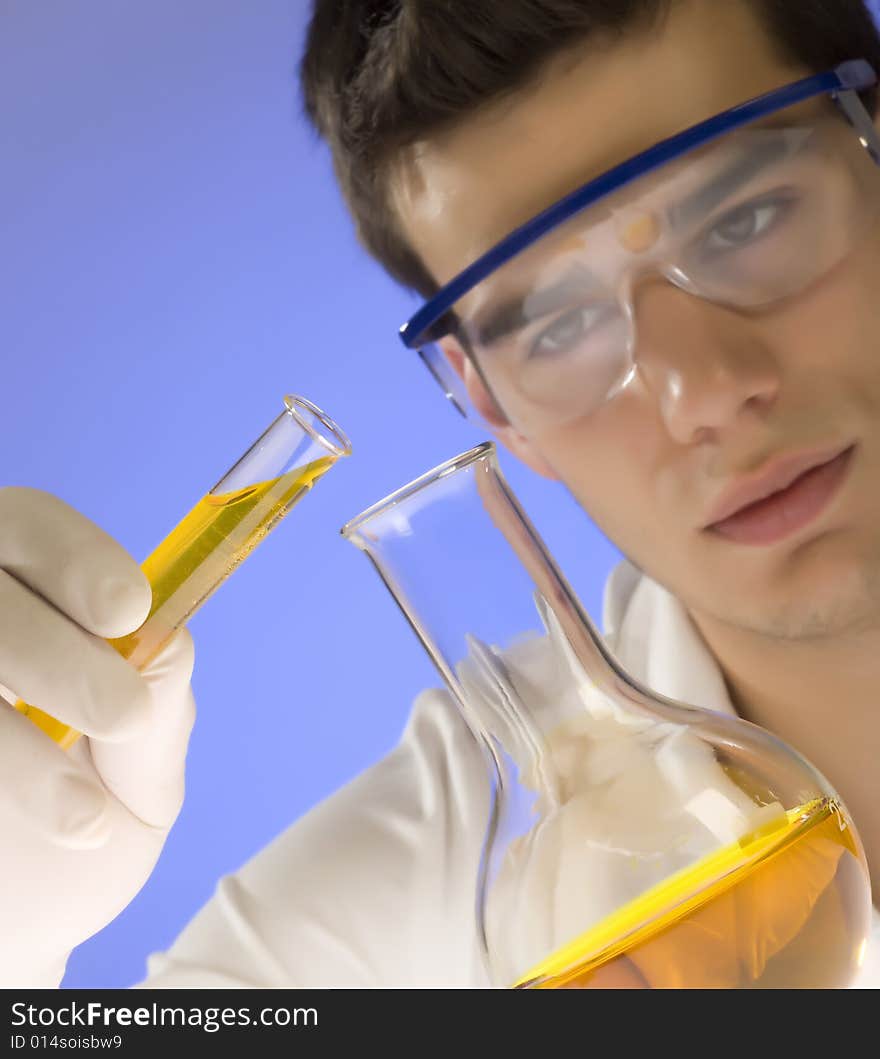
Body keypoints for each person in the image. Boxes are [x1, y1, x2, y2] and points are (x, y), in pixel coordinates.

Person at [3, 0, 880, 989]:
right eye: (557, 325)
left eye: (743, 220)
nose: (702, 393)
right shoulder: (432, 898)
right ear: (491, 407)